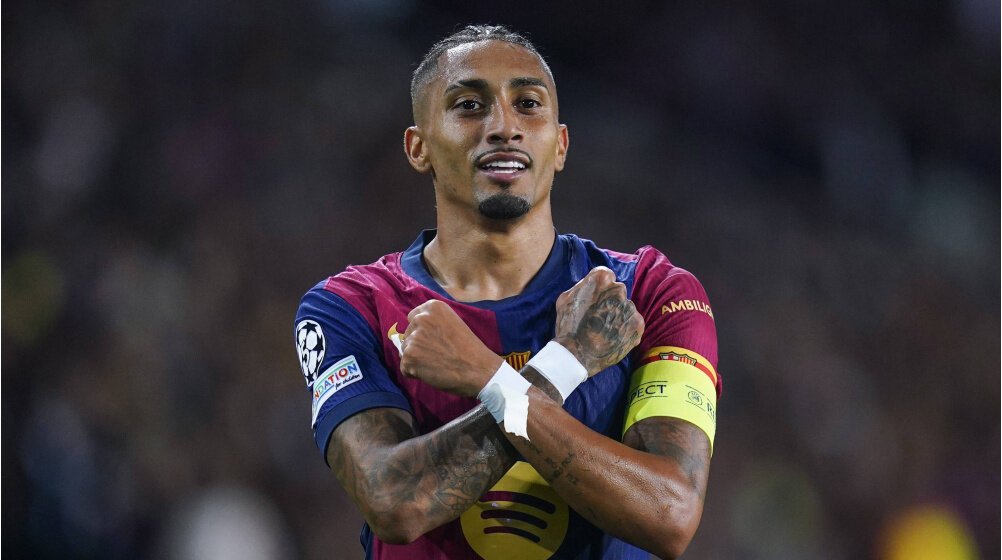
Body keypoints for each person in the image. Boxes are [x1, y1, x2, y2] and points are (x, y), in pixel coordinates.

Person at [293, 25, 720, 560]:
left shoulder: (650, 293)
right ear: (418, 147)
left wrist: (488, 378)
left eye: (528, 104)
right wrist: (567, 361)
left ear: (560, 145)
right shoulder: (350, 308)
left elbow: (670, 515)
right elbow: (395, 504)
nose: (503, 127)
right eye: (469, 106)